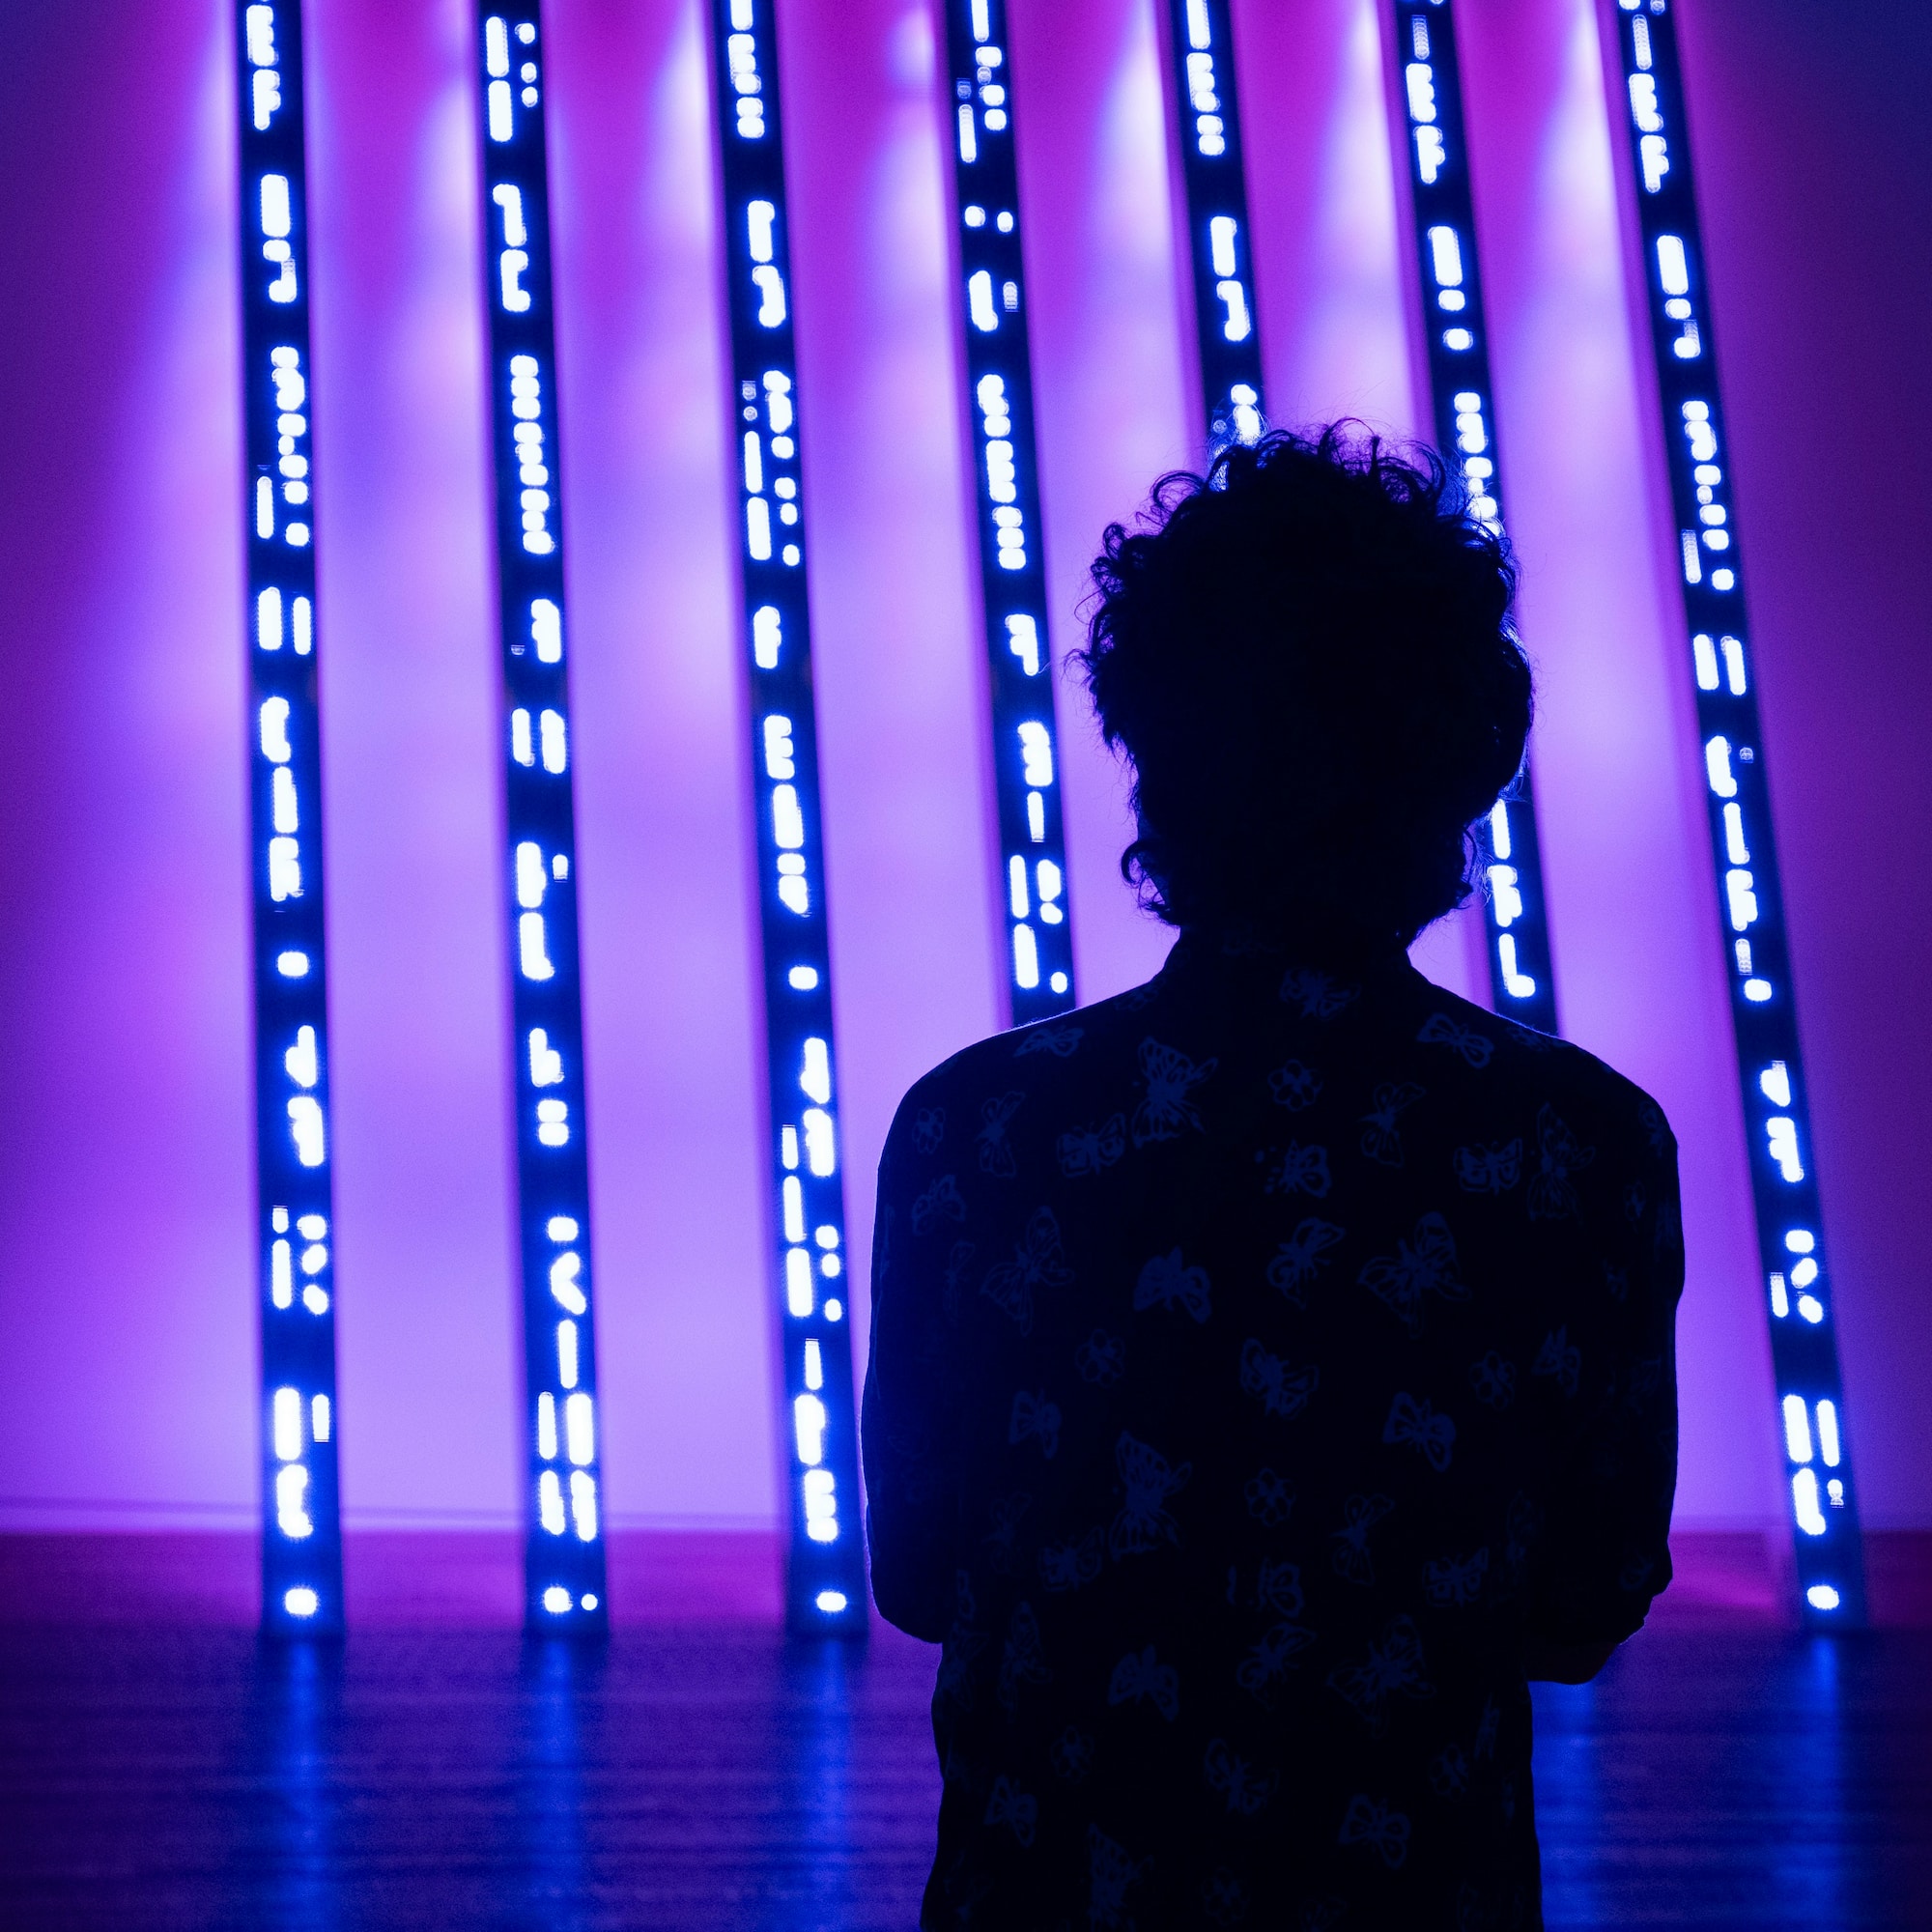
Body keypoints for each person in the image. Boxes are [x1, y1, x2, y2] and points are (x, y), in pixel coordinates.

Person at [863, 427, 1682, 1929]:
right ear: (1459, 765)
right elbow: (1579, 1609)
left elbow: (920, 1575)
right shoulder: (1581, 1149)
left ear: (1156, 754)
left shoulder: (976, 1133)